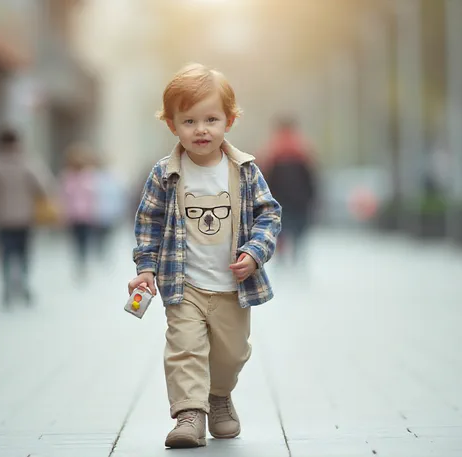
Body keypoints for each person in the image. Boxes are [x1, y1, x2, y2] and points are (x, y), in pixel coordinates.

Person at [127, 63, 282, 448]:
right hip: (184, 285)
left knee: (232, 353)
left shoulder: (245, 171)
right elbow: (148, 222)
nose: (201, 129)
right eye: (189, 121)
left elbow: (269, 214)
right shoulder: (164, 174)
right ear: (172, 125)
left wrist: (254, 253)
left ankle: (219, 395)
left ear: (229, 121)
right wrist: (145, 269)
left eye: (211, 119)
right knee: (185, 349)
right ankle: (189, 415)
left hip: (232, 286)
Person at [0, 128, 52, 307]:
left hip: (2, 218)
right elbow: (44, 186)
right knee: (23, 252)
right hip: (25, 217)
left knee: (6, 252)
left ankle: (7, 285)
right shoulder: (28, 163)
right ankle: (23, 281)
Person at [261, 115, 316, 264]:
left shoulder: (274, 152)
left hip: (288, 200)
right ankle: (291, 257)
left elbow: (265, 180)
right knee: (292, 230)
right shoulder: (301, 150)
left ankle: (287, 257)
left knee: (284, 230)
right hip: (294, 200)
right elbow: (311, 179)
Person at [59, 143, 99, 277]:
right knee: (75, 240)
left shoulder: (88, 175)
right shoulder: (67, 176)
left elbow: (94, 195)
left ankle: (83, 261)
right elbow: (64, 195)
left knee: (85, 240)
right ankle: (79, 261)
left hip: (86, 215)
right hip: (72, 215)